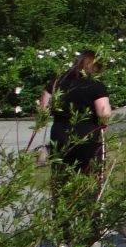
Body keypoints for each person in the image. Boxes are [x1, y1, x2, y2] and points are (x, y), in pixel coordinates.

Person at [38, 50, 111, 183]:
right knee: (89, 176)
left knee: (61, 176)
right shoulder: (95, 85)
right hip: (86, 135)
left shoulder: (56, 83)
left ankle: (61, 201)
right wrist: (104, 124)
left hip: (60, 134)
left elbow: (43, 110)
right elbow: (104, 113)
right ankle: (88, 200)